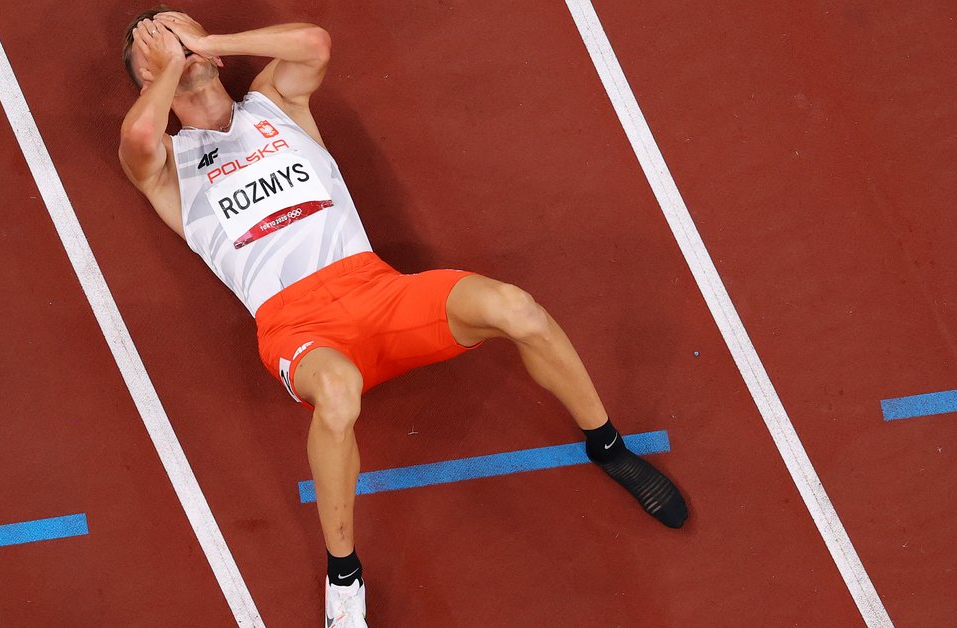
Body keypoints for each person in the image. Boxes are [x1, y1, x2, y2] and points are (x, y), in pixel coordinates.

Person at [117, 8, 687, 626]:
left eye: (177, 25)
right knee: (336, 393)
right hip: (296, 326)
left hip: (377, 290)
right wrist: (168, 69)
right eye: (155, 41)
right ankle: (344, 581)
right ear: (146, 78)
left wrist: (207, 44)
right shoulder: (168, 164)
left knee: (515, 307)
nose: (173, 39)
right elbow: (139, 141)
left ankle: (607, 447)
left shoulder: (272, 102)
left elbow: (314, 43)